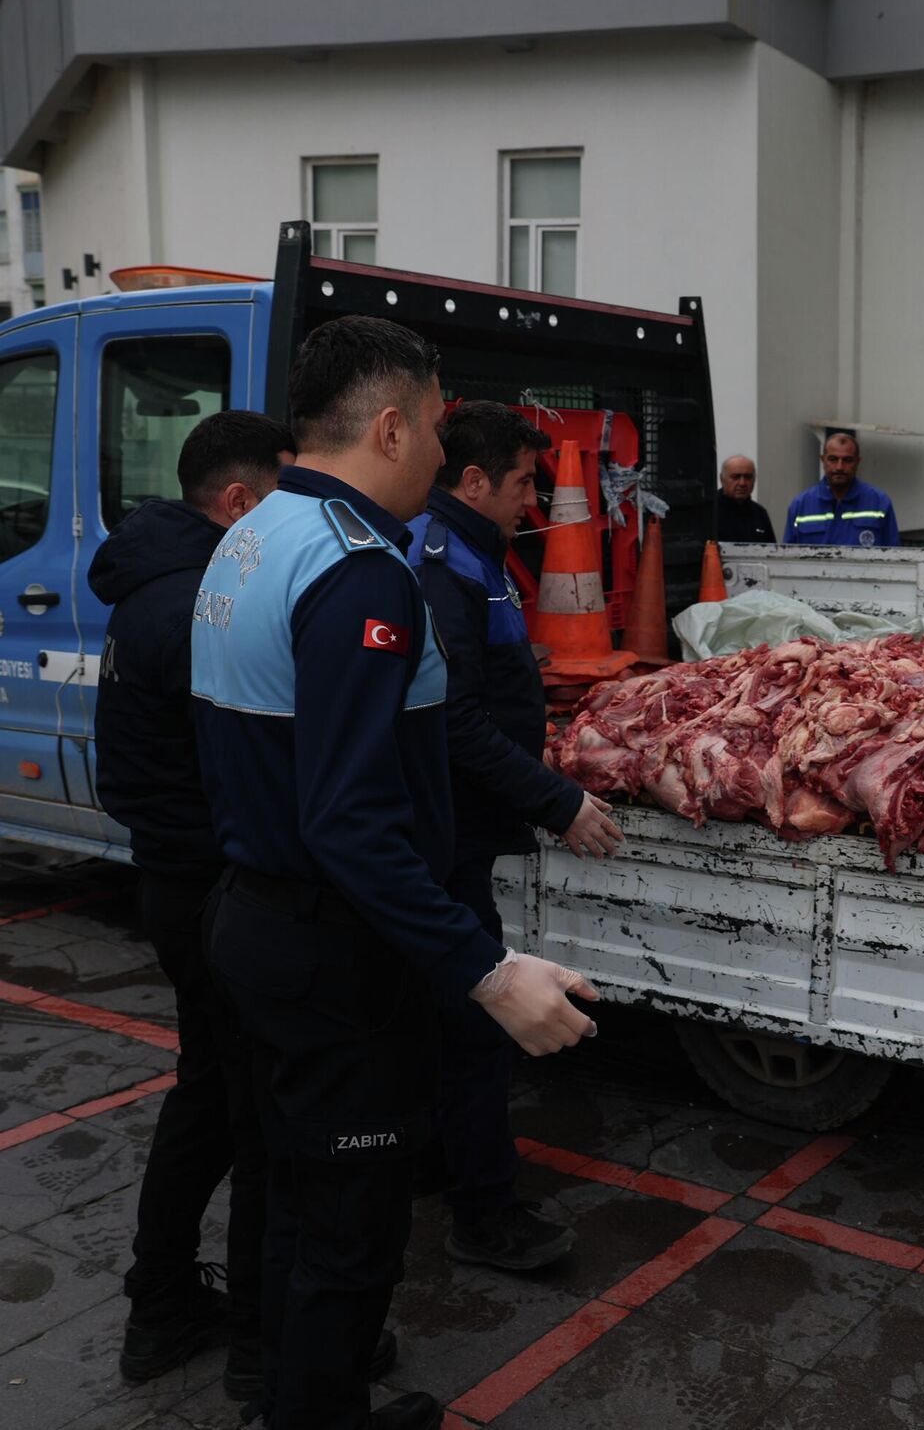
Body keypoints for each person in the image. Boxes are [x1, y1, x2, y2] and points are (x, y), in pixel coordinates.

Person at [191, 315, 601, 1430]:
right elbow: (350, 819)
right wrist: (487, 969)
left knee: (294, 1192)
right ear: (387, 427)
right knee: (351, 1229)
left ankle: (287, 1392)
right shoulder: (360, 570)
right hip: (334, 948)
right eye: (429, 424)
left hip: (256, 914)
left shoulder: (253, 531)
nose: (435, 447)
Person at [94, 412, 290, 1394]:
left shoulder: (159, 583)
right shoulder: (199, 601)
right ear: (238, 502)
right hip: (212, 883)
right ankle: (261, 1341)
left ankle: (163, 1303)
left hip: (173, 877)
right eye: (285, 497)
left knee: (208, 1095)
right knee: (251, 1112)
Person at [405, 400, 622, 1272]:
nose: (536, 500)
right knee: (475, 1023)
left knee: (440, 1014)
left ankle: (435, 1159)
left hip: (463, 826)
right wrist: (557, 800)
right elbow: (452, 718)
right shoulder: (442, 562)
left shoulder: (477, 551)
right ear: (474, 481)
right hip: (446, 833)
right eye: (526, 482)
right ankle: (485, 1213)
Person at [784, 431, 899, 546]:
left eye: (847, 460)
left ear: (857, 462)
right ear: (823, 460)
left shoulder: (879, 504)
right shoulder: (800, 506)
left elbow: (894, 554)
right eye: (833, 459)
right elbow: (787, 555)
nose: (839, 467)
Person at [713, 454, 776, 543]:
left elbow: (771, 550)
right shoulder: (709, 513)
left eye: (748, 477)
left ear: (754, 480)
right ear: (722, 479)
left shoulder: (760, 514)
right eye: (735, 477)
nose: (742, 483)